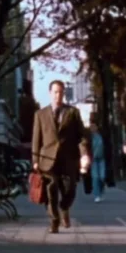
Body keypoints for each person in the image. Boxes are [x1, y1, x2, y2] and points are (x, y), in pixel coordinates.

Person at [31, 80, 91, 233]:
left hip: (68, 159)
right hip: (47, 160)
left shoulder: (73, 112)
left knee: (70, 190)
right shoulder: (40, 114)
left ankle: (64, 208)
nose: (58, 95)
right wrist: (35, 160)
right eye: (55, 92)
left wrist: (84, 154)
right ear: (50, 93)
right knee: (50, 190)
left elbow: (81, 136)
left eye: (61, 92)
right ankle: (54, 221)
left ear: (64, 93)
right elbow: (36, 139)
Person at [90, 123, 107, 202]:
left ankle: (101, 192)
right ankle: (97, 195)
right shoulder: (89, 138)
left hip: (101, 158)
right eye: (92, 127)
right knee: (95, 177)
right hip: (93, 160)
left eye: (94, 126)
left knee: (102, 177)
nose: (93, 128)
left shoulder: (100, 136)